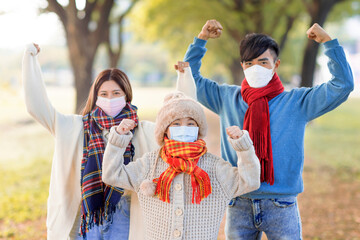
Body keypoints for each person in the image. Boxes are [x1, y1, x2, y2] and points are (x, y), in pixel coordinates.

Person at [181, 20, 354, 239]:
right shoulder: (226, 98)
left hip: (281, 203)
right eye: (249, 62)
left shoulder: (297, 102)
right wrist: (201, 39)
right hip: (239, 200)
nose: (255, 68)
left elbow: (343, 85)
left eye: (263, 62)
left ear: (276, 64)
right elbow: (187, 78)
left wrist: (328, 43)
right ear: (242, 65)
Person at [22, 44, 159, 240]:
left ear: (127, 96)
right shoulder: (73, 126)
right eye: (104, 94)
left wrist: (185, 74)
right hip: (86, 213)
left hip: (126, 213)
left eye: (116, 93)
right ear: (96, 97)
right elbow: (37, 106)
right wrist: (30, 59)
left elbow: (176, 120)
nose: (110, 98)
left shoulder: (142, 130)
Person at [101, 91, 261, 240]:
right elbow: (111, 174)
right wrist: (118, 140)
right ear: (165, 131)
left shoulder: (215, 167)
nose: (184, 128)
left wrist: (244, 147)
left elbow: (250, 181)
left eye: (190, 123)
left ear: (199, 129)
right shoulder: (150, 164)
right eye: (176, 124)